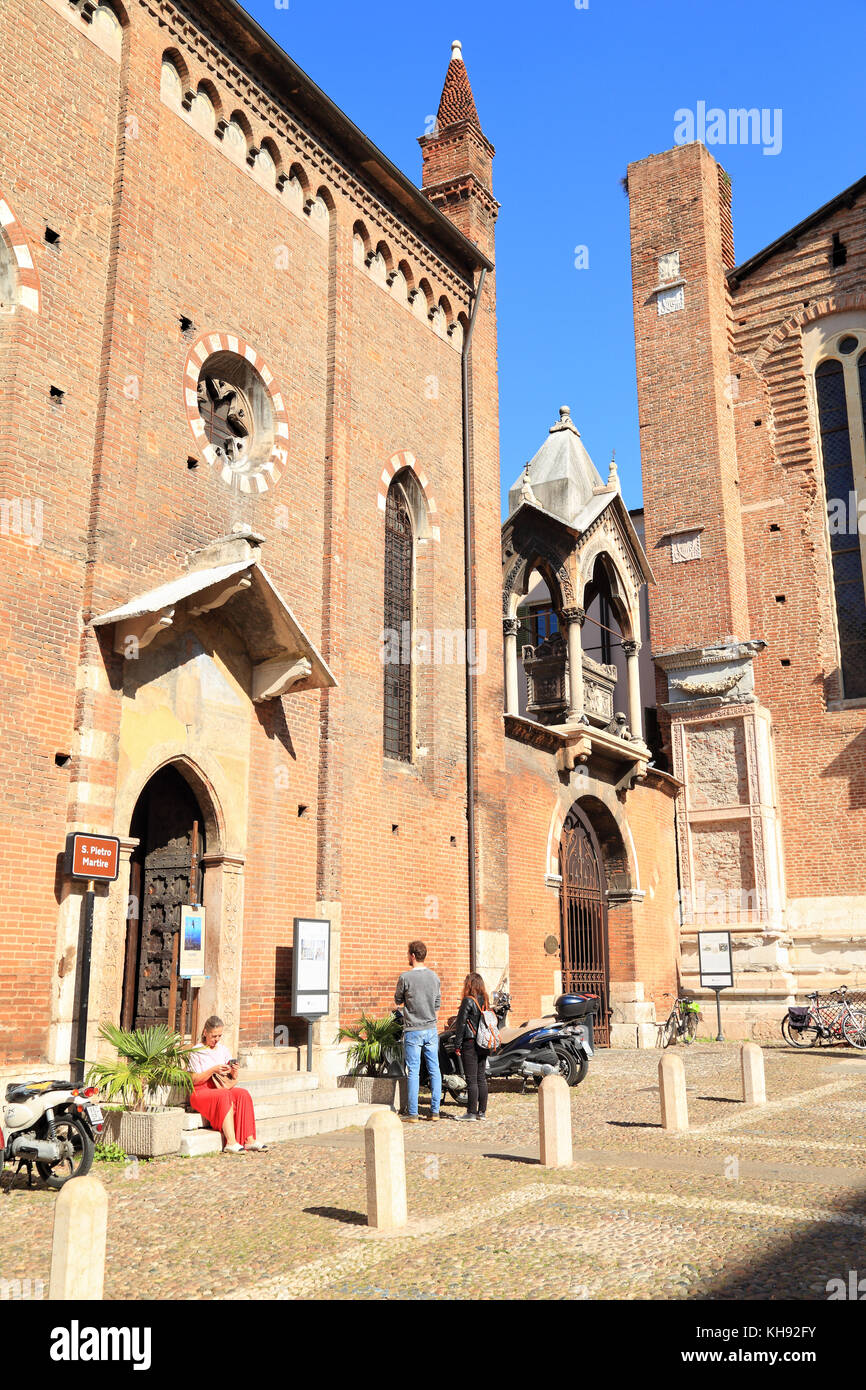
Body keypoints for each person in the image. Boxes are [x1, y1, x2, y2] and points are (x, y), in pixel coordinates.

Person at [188, 1015, 267, 1152]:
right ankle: (231, 1142)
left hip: (219, 1087)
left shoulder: (223, 1049)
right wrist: (213, 1070)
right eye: (214, 1036)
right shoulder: (196, 1051)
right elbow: (194, 1080)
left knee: (243, 1093)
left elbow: (230, 1078)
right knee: (224, 1095)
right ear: (205, 1033)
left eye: (219, 1036)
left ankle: (249, 1140)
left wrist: (233, 1071)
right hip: (201, 1091)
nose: (216, 1039)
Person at [394, 940, 441, 1123]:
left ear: (412, 955)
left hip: (413, 1028)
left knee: (413, 1070)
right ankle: (435, 1111)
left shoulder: (405, 977)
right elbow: (437, 1004)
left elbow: (398, 1000)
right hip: (430, 1028)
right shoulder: (434, 977)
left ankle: (413, 1113)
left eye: (408, 954)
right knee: (434, 1069)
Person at [453, 973, 490, 1122]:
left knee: (471, 1079)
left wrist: (457, 1045)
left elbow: (461, 1024)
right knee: (481, 1078)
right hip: (484, 1043)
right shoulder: (485, 1000)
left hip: (470, 1043)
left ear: (469, 984)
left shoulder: (468, 1001)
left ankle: (471, 1112)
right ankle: (482, 1112)